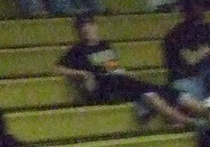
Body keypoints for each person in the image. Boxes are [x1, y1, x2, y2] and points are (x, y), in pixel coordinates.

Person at [56, 13, 191, 126]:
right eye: (82, 27)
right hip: (105, 88)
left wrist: (123, 72)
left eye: (89, 25)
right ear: (77, 31)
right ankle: (184, 119)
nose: (86, 29)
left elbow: (111, 66)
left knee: (152, 93)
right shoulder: (77, 50)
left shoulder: (105, 45)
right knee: (150, 91)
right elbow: (58, 68)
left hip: (117, 81)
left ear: (95, 26)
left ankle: (185, 115)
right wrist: (81, 74)